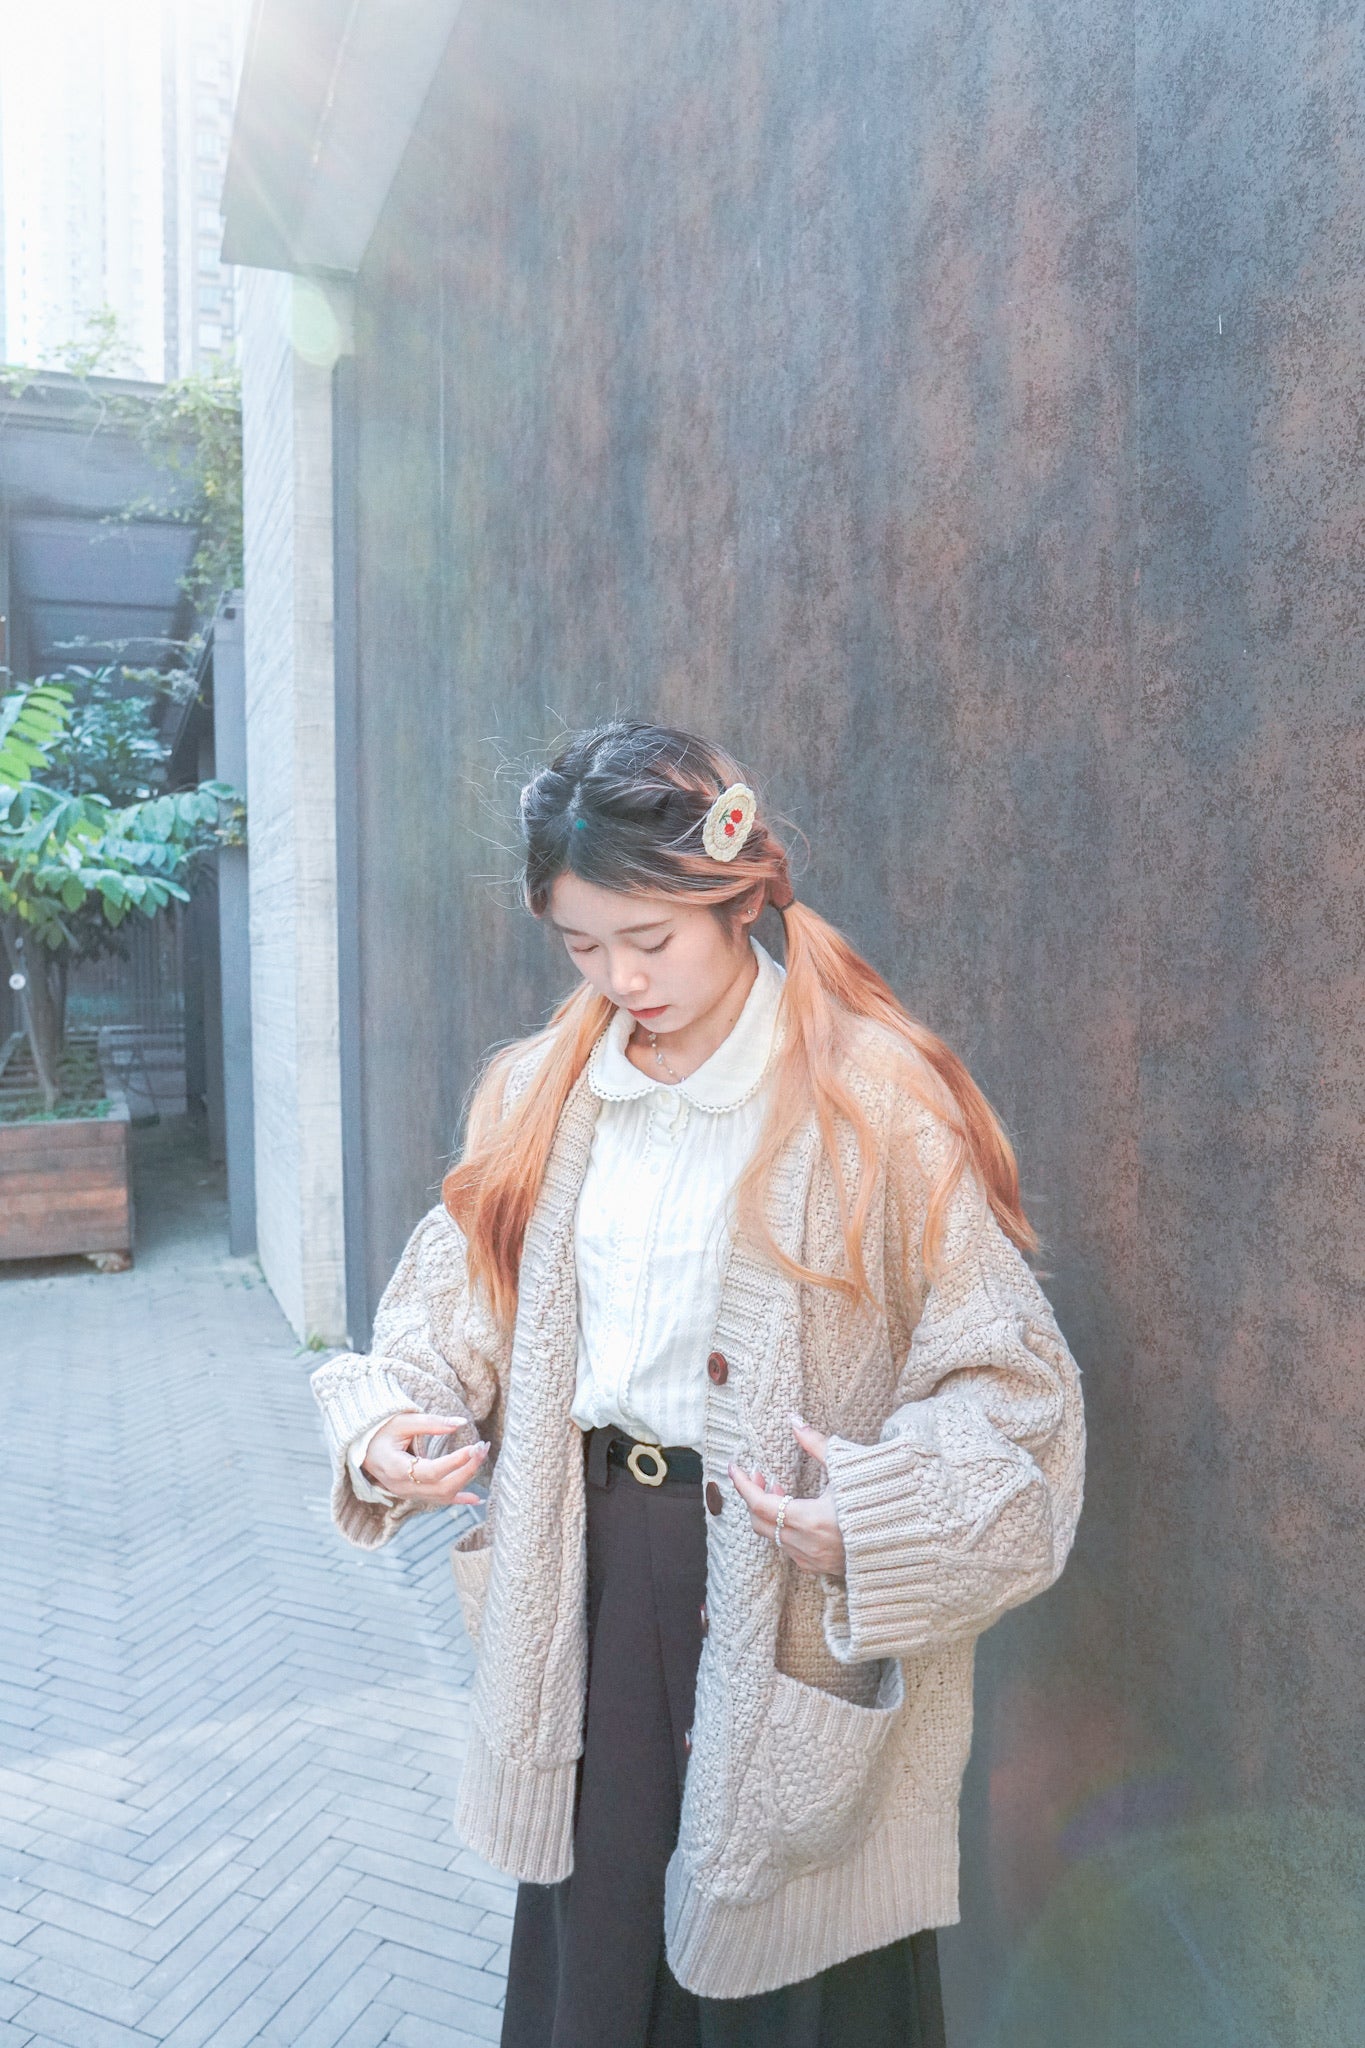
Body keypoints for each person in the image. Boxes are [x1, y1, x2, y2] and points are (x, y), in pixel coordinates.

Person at [310, 720, 1086, 2048]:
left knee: (791, 1964)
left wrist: (876, 1519)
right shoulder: (542, 1092)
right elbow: (447, 1308)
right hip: (591, 1577)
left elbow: (1009, 1384)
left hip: (785, 1591)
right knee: (603, 1946)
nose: (620, 979)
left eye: (648, 939)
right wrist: (386, 1421)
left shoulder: (870, 1100)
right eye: (580, 946)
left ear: (734, 896)